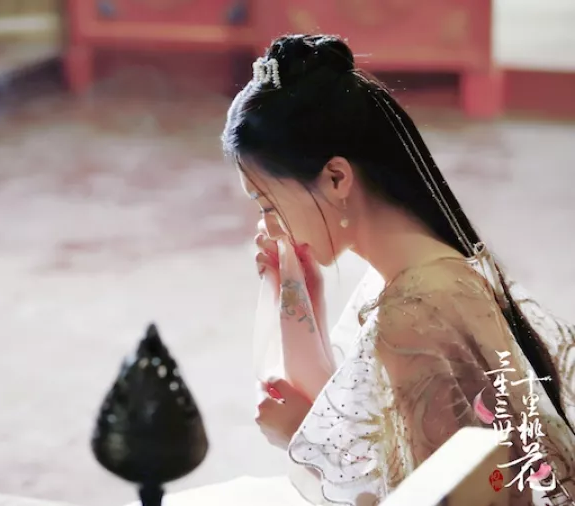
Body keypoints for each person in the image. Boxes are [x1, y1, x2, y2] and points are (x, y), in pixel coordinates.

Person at [197, 34, 575, 505]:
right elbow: (362, 415)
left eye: (268, 204)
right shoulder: (421, 268)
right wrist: (302, 296)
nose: (267, 226)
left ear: (337, 177)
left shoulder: (413, 311)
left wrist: (298, 436)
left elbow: (435, 496)